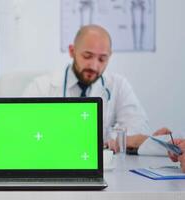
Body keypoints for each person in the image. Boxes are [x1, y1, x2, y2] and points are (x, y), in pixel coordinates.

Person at [23, 24, 169, 149]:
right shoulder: (41, 86)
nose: (94, 66)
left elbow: (137, 128)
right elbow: (24, 130)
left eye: (102, 59)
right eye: (87, 56)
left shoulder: (118, 85)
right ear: (72, 51)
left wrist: (120, 140)